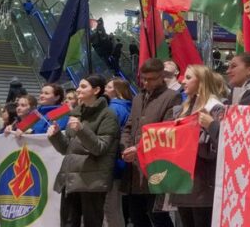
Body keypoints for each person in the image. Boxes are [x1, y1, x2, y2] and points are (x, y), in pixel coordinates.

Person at [47, 75, 119, 227]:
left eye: (83, 86)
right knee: (67, 222)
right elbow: (66, 149)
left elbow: (100, 148)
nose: (78, 89)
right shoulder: (76, 113)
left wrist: (81, 129)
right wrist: (56, 136)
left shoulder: (108, 115)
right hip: (71, 178)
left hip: (92, 180)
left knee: (92, 223)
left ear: (96, 90)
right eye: (79, 86)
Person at [120, 59, 179, 227]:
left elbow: (166, 131)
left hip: (156, 166)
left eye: (151, 79)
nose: (146, 82)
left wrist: (138, 149)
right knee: (136, 216)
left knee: (158, 216)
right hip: (134, 168)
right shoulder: (138, 98)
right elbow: (128, 127)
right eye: (143, 79)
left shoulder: (171, 97)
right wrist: (125, 148)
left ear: (162, 77)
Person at [169, 65, 225, 227]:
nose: (182, 81)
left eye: (188, 78)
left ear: (201, 81)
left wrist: (189, 136)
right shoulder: (183, 108)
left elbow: (216, 149)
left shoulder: (215, 108)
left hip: (203, 186)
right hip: (183, 183)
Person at [103, 79, 133, 227]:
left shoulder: (113, 109)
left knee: (110, 209)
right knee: (115, 208)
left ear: (117, 90)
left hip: (112, 164)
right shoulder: (128, 107)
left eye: (109, 86)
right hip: (119, 162)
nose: (105, 88)